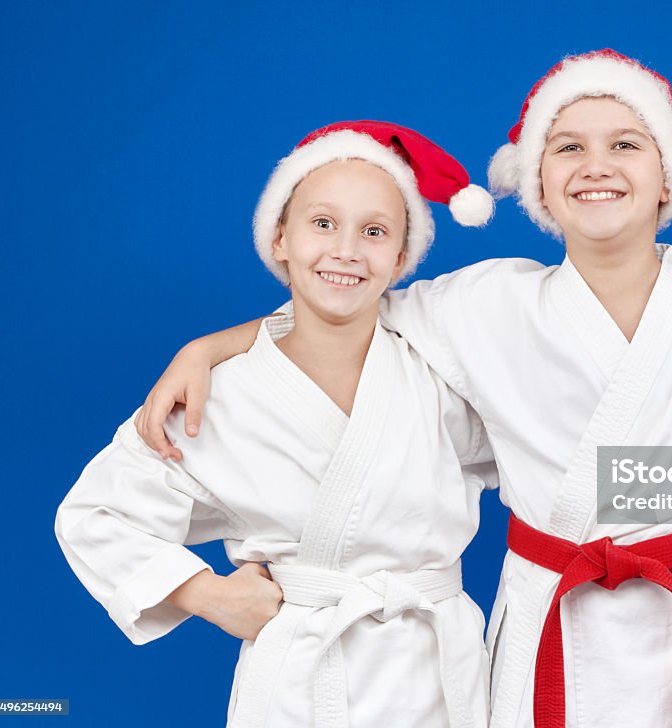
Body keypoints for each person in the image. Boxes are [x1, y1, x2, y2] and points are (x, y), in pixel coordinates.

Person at [134, 50, 672, 728]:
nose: (597, 166)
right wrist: (214, 344)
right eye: (568, 149)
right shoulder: (488, 303)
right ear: (536, 188)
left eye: (627, 145)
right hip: (547, 623)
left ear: (668, 180)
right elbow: (349, 304)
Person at [55, 120, 503, 728]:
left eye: (374, 231)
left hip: (442, 679)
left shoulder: (444, 368)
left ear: (400, 259)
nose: (346, 249)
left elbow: (564, 452)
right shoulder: (219, 393)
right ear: (280, 239)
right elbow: (95, 516)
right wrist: (205, 594)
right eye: (323, 223)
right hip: (303, 686)